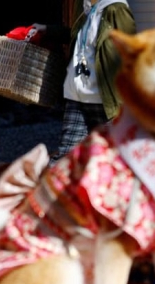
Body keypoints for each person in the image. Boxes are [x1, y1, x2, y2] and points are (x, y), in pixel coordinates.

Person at [38, 0, 135, 162]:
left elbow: (129, 50)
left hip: (105, 99)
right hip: (77, 94)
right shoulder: (84, 7)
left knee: (114, 158)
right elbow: (76, 36)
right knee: (67, 158)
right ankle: (55, 186)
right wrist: (47, 30)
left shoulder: (117, 9)